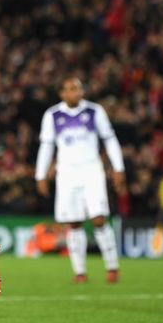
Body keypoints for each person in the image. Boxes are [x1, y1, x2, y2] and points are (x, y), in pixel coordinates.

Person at [34, 77, 124, 283]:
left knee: (98, 218)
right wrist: (40, 175)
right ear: (62, 93)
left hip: (92, 171)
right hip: (66, 174)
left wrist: (118, 168)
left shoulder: (94, 111)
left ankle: (112, 267)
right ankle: (80, 272)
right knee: (73, 223)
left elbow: (109, 139)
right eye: (71, 89)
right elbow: (47, 146)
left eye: (78, 88)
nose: (76, 92)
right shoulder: (53, 115)